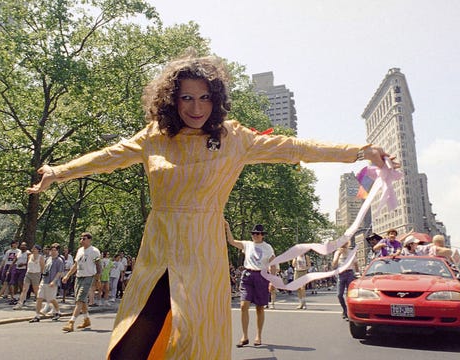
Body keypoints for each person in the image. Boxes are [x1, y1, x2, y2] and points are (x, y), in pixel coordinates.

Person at [26, 53, 393, 359]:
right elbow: (107, 157)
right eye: (186, 98)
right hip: (157, 250)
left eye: (204, 98)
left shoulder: (235, 138)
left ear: (215, 99)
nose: (196, 107)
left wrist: (358, 152)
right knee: (133, 338)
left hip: (202, 253)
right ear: (172, 100)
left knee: (192, 338)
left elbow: (295, 149)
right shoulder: (155, 136)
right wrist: (57, 172)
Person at [225, 222, 276, 347]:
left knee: (260, 307)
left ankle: (258, 336)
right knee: (243, 305)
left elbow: (273, 265)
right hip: (247, 275)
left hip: (262, 276)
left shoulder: (268, 247)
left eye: (258, 234)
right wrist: (227, 227)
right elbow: (231, 241)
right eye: (254, 233)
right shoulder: (247, 245)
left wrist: (272, 280)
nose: (256, 236)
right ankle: (245, 336)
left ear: (262, 235)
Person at [60, 232, 101, 332]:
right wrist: (67, 275)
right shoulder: (80, 251)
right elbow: (76, 265)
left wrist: (98, 279)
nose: (81, 240)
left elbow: (98, 266)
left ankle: (71, 322)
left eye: (84, 239)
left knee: (79, 299)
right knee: (82, 301)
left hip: (88, 277)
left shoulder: (94, 251)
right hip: (79, 277)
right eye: (81, 238)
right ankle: (86, 320)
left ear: (89, 240)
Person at [30, 243, 65, 323]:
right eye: (51, 250)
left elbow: (59, 273)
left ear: (57, 251)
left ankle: (58, 312)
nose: (52, 252)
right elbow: (45, 269)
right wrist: (41, 279)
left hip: (52, 283)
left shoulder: (59, 261)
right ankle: (37, 315)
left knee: (51, 299)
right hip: (44, 281)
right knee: (39, 298)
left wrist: (54, 281)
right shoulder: (48, 259)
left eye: (54, 250)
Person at [332, 242, 359, 320]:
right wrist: (338, 255)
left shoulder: (351, 252)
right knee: (339, 294)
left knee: (349, 294)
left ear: (347, 244)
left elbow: (356, 264)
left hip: (350, 273)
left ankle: (349, 312)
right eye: (342, 244)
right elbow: (334, 265)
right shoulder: (337, 253)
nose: (343, 246)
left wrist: (357, 274)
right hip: (341, 274)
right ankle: (344, 309)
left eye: (345, 244)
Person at [13, 244, 45, 309]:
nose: (33, 249)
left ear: (38, 250)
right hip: (28, 273)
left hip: (36, 274)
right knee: (24, 289)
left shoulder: (40, 257)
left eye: (34, 248)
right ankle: (20, 303)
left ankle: (40, 304)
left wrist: (40, 275)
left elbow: (42, 268)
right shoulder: (30, 256)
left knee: (36, 290)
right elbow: (27, 264)